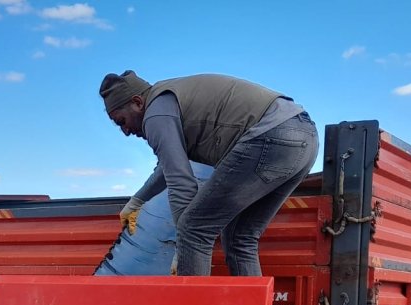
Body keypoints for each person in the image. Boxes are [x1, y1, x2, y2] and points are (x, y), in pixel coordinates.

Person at [100, 70, 318, 276]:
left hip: (270, 136)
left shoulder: (155, 114)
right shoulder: (166, 103)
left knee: (193, 229)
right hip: (304, 139)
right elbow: (169, 166)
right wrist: (139, 199)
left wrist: (185, 246)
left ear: (137, 103)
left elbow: (181, 182)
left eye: (122, 121)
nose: (126, 131)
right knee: (240, 239)